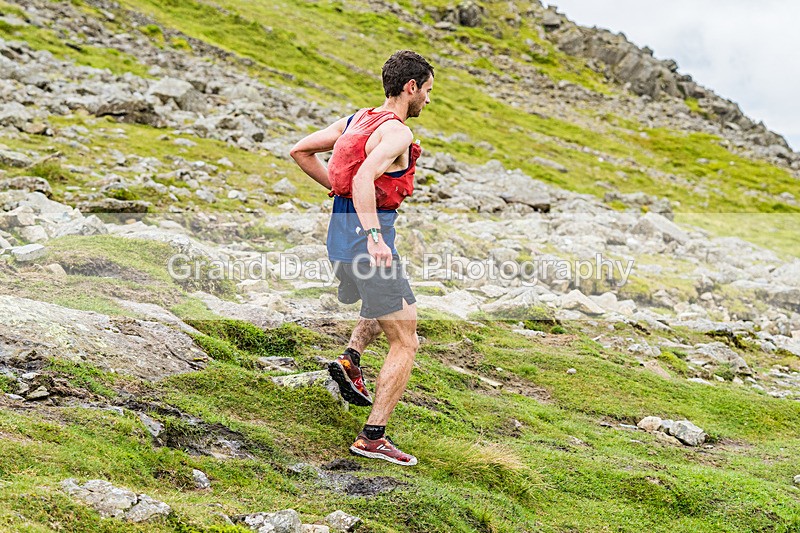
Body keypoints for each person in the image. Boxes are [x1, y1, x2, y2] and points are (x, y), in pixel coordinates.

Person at [290, 50, 434, 466]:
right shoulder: (397, 134)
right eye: (426, 90)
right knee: (406, 341)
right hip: (366, 242)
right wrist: (373, 234)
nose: (427, 99)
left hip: (339, 239)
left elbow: (300, 151)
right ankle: (373, 437)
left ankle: (351, 359)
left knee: (387, 304)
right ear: (410, 88)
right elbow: (365, 176)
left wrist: (340, 194)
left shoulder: (356, 119)